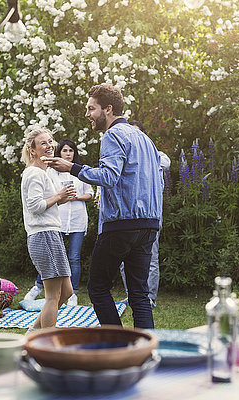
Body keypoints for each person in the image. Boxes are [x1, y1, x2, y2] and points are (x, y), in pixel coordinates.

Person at [45, 84, 163, 329]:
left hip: (121, 224)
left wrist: (73, 168)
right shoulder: (146, 139)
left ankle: (118, 345)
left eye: (91, 108)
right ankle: (145, 353)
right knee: (139, 294)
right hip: (149, 225)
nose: (88, 114)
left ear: (108, 109)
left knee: (97, 287)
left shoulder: (113, 135)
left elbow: (109, 176)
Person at [24, 139, 94, 306]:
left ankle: (72, 294)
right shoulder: (44, 172)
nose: (68, 153)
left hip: (75, 220)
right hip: (53, 224)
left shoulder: (78, 172)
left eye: (71, 151)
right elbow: (37, 204)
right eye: (65, 150)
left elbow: (90, 193)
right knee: (52, 292)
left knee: (72, 260)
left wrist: (73, 197)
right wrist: (60, 196)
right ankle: (37, 288)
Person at [21, 128, 76, 329]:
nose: (49, 145)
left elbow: (44, 204)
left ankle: (33, 334)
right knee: (53, 296)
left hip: (51, 234)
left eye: (50, 141)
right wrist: (59, 197)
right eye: (43, 143)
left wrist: (60, 200)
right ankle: (46, 343)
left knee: (67, 291)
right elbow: (35, 207)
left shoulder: (43, 173)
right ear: (33, 150)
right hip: (43, 235)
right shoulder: (34, 173)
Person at [119, 120, 170, 309]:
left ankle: (149, 297)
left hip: (151, 216)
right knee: (124, 259)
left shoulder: (157, 155)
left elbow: (165, 163)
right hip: (128, 216)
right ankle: (131, 295)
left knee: (150, 257)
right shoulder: (122, 157)